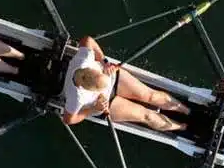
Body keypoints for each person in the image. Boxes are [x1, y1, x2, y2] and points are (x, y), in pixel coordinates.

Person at [61, 36, 190, 132]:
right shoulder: (76, 98)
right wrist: (92, 109)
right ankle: (181, 127)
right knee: (146, 115)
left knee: (151, 96)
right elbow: (68, 120)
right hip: (107, 105)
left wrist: (105, 62)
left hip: (113, 78)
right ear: (88, 89)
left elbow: (87, 40)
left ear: (93, 70)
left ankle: (186, 110)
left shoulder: (84, 59)